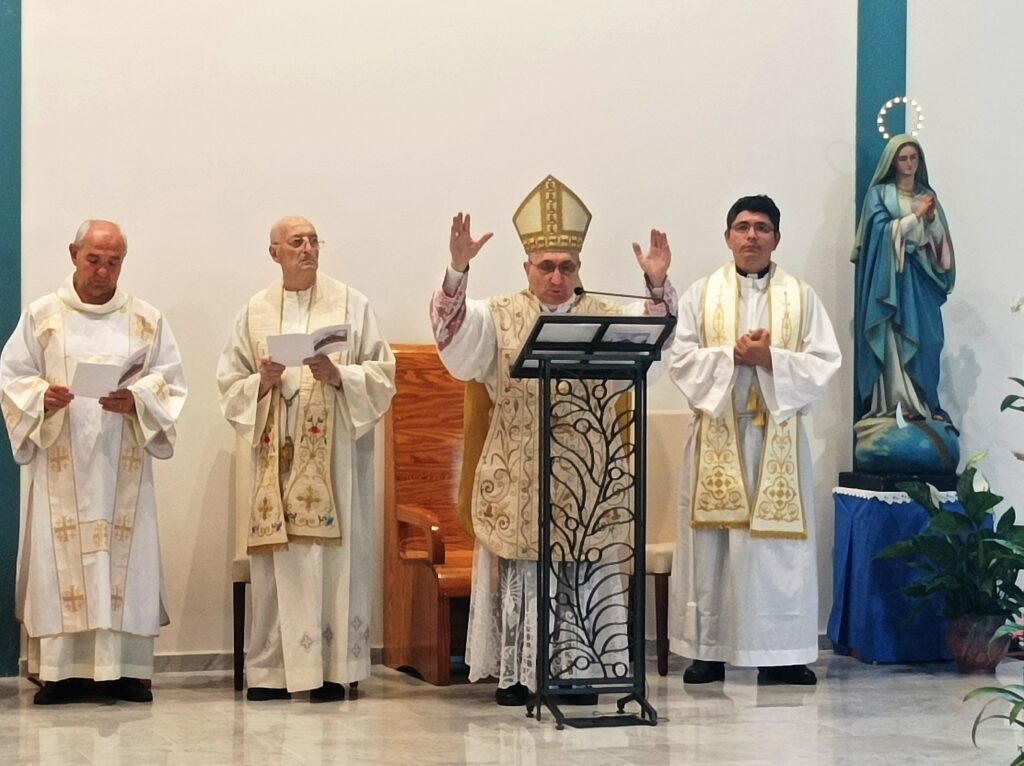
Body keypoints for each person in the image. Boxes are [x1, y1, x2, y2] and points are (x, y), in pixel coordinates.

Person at [430, 174, 675, 705]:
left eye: (567, 266)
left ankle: (579, 669)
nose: (557, 277)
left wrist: (656, 289)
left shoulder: (607, 316)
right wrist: (457, 270)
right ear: (527, 270)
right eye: (546, 267)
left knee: (581, 564)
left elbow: (656, 343)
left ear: (579, 269)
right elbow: (452, 343)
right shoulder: (496, 316)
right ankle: (518, 673)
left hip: (587, 470)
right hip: (516, 469)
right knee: (523, 564)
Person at [0, 219, 187, 704]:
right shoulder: (43, 316)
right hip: (63, 461)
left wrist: (139, 400)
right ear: (73, 254)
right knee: (60, 563)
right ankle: (61, 674)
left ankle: (124, 671)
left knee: (125, 562)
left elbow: (170, 379)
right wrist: (43, 396)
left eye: (114, 261)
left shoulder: (146, 319)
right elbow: (13, 376)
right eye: (94, 259)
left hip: (120, 462)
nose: (103, 270)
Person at [217, 216, 395, 702]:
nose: (308, 249)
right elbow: (229, 384)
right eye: (297, 242)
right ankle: (273, 673)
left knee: (330, 563)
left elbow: (382, 375)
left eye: (315, 241)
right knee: (281, 564)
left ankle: (333, 671)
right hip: (276, 459)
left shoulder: (352, 304)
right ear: (274, 252)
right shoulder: (254, 311)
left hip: (334, 461)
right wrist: (263, 381)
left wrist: (339, 375)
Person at [668, 195, 840, 686]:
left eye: (762, 228)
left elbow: (825, 361)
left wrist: (771, 361)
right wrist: (734, 357)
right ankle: (708, 652)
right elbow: (680, 360)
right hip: (716, 439)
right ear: (727, 237)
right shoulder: (700, 295)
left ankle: (782, 655)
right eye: (742, 227)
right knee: (713, 548)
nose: (751, 236)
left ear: (777, 239)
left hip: (777, 440)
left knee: (775, 553)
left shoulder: (803, 297)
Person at [851, 135, 957, 472]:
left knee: (927, 341)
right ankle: (894, 406)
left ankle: (923, 405)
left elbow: (941, 250)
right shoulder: (879, 195)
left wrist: (929, 219)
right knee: (894, 340)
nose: (908, 165)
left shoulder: (928, 198)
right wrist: (913, 220)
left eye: (913, 158)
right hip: (889, 285)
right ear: (892, 163)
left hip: (920, 284)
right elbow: (878, 235)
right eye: (902, 159)